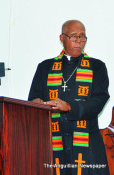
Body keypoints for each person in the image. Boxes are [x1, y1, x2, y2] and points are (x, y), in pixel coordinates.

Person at [28, 20, 110, 174]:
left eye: (82, 37)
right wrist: (36, 103)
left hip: (87, 143)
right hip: (53, 142)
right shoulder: (45, 67)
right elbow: (34, 97)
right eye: (73, 36)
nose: (79, 41)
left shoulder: (97, 67)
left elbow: (99, 101)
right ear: (62, 38)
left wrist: (70, 107)